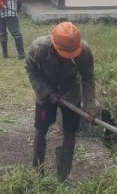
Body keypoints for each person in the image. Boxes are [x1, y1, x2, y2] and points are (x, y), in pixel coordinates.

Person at [24, 21, 98, 183]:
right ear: (55, 45)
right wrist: (46, 92)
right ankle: (37, 173)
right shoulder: (38, 48)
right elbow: (30, 70)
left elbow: (88, 78)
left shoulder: (83, 51)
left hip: (70, 89)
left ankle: (63, 178)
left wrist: (90, 106)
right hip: (46, 89)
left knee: (70, 132)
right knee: (41, 130)